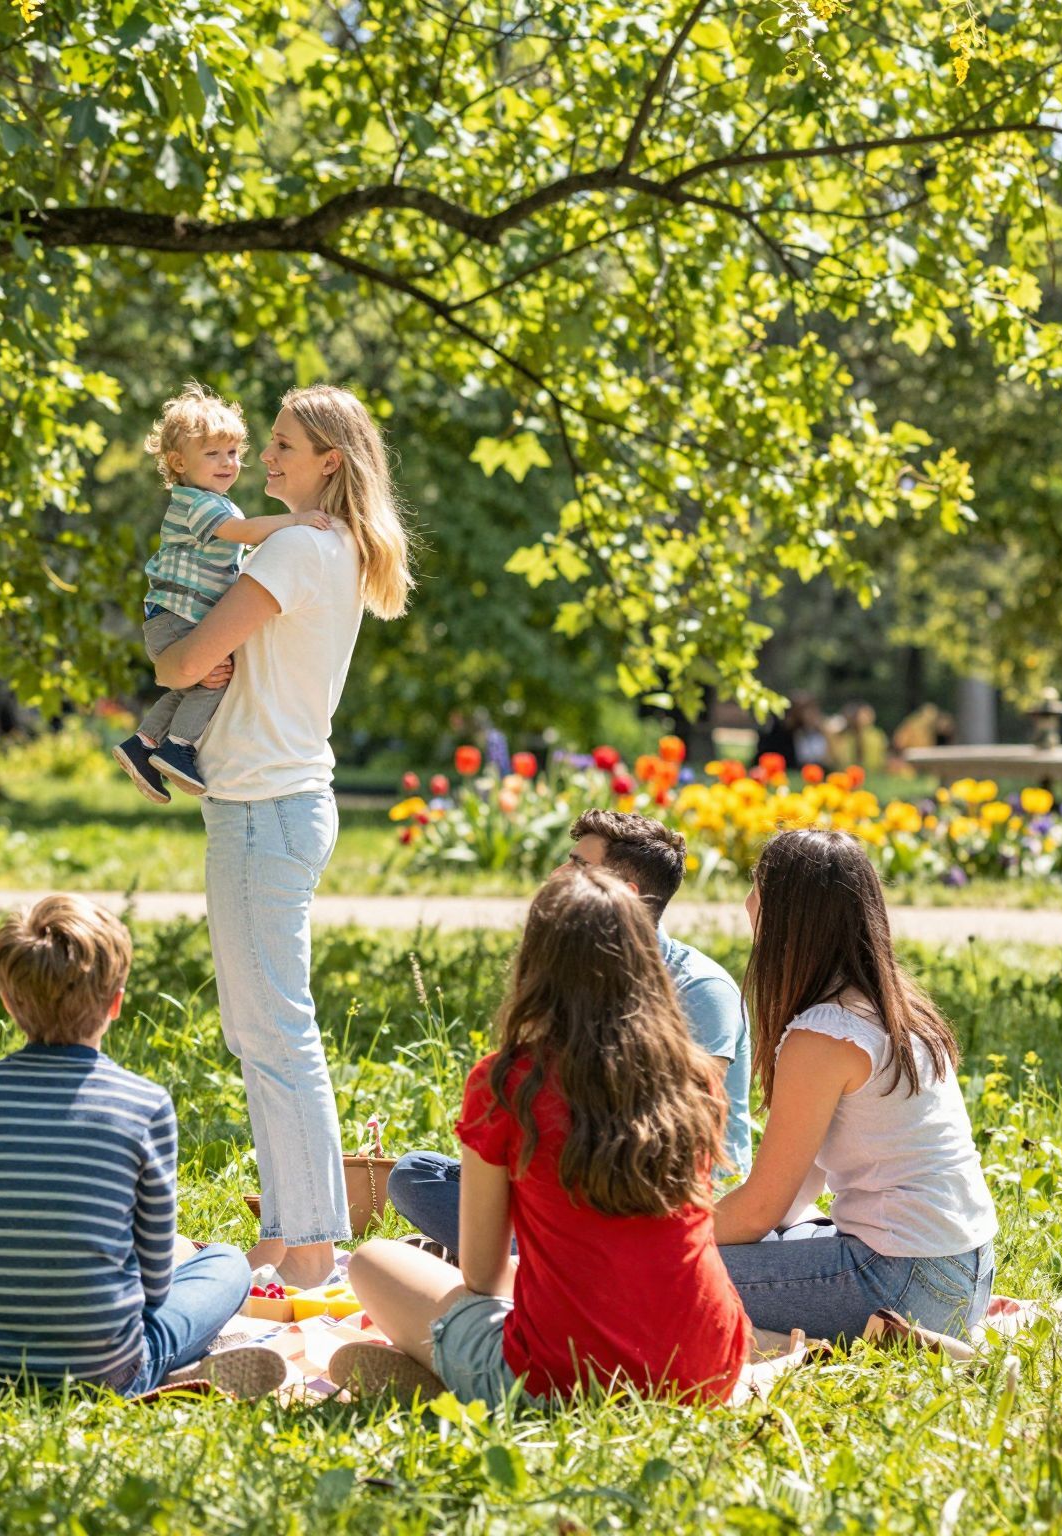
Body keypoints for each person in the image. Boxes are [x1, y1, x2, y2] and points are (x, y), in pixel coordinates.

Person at [150, 384, 414, 1290]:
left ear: (330, 461)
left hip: (266, 810)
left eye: (285, 447)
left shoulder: (300, 547)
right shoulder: (325, 543)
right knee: (261, 1028)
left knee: (275, 1032)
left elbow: (181, 660)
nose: (266, 459)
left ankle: (310, 1247)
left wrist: (172, 659)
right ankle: (295, 1232)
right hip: (273, 805)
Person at [344, 865, 753, 1406]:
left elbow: (483, 1274)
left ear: (535, 964)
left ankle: (448, 1374)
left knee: (372, 1260)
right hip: (709, 1368)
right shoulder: (696, 1075)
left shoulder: (508, 1082)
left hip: (562, 1380)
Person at [0, 896, 283, 1398]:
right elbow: (154, 1281)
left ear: (9, 1002)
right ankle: (178, 1369)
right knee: (229, 1261)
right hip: (102, 1371)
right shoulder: (144, 1103)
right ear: (117, 1002)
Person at [388, 811, 753, 1256]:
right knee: (417, 1173)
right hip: (577, 1176)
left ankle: (519, 1255)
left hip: (659, 1198)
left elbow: (686, 1140)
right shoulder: (574, 972)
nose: (558, 874)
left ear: (624, 895)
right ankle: (532, 1252)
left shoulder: (699, 988)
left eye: (579, 867)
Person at [713, 828, 997, 1341]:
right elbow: (796, 1192)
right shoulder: (893, 1010)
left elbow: (759, 1210)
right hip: (966, 1273)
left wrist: (659, 1238)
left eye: (757, 886)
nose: (747, 901)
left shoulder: (823, 1034)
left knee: (659, 1274)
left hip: (901, 1283)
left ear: (786, 914)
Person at [112, 382, 333, 803]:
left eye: (232, 453)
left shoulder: (217, 503)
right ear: (179, 462)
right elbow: (244, 534)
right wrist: (297, 520)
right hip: (176, 616)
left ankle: (142, 746)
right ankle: (179, 748)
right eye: (211, 454)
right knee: (213, 680)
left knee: (191, 686)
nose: (227, 463)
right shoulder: (196, 503)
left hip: (176, 616)